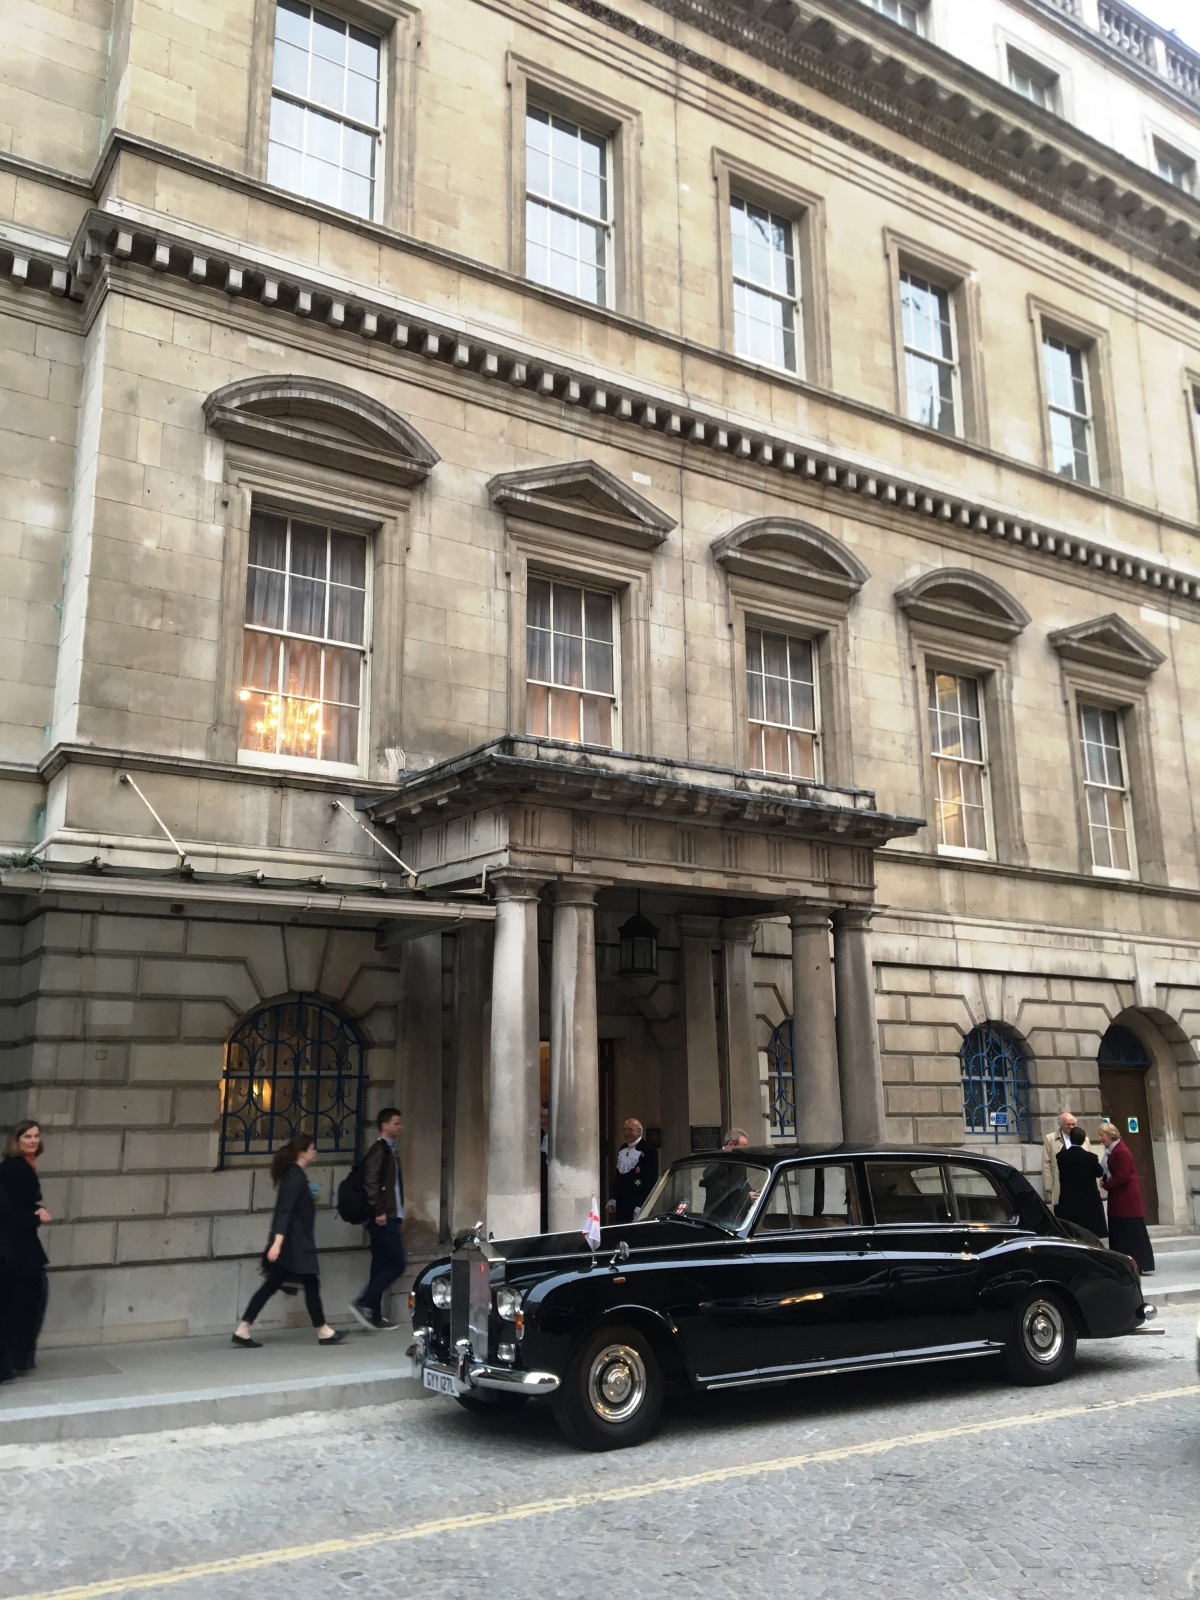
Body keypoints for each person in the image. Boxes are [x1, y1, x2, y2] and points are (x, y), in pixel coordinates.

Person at [233, 1133, 345, 1347]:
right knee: (310, 1283)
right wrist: (277, 1243)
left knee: (271, 1285)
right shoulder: (295, 1177)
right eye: (312, 1148)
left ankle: (243, 1328)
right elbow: (284, 1211)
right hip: (294, 1244)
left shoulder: (296, 1176)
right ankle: (323, 1331)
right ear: (302, 1152)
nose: (315, 1151)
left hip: (293, 1242)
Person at [0, 1120, 52, 1377]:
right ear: (16, 1140)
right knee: (26, 1305)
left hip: (19, 1250)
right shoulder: (14, 1169)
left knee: (23, 1304)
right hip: (18, 1252)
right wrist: (36, 1215)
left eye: (36, 1136)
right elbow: (9, 1213)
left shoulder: (22, 1167)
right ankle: (18, 1359)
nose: (33, 1140)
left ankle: (17, 1358)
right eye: (27, 1136)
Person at [349, 1107, 406, 1331]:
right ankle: (364, 1301)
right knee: (397, 1262)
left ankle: (374, 1313)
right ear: (385, 1125)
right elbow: (371, 1183)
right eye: (396, 1123)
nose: (399, 1127)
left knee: (380, 1263)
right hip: (383, 1217)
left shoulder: (390, 1150)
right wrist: (380, 1210)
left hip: (391, 1214)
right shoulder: (379, 1150)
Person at [1098, 1120, 1155, 1274]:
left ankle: (1138, 1263)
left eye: (1102, 1135)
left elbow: (1123, 1176)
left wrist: (1107, 1185)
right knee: (1121, 1231)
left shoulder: (1122, 1151)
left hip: (1126, 1200)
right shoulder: (1112, 1150)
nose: (1100, 1138)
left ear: (1110, 1135)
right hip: (1119, 1198)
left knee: (1131, 1232)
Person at [1055, 1125, 1107, 1238]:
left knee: (1072, 1233)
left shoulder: (1061, 1156)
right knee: (1091, 1234)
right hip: (1088, 1200)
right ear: (1084, 1140)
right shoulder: (1090, 1157)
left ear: (1070, 1139)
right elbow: (1099, 1172)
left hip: (1069, 1199)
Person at [605, 1118, 659, 1224]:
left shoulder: (649, 1151)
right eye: (624, 1130)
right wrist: (613, 1199)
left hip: (636, 1206)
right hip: (621, 1206)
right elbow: (619, 1177)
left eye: (630, 1130)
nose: (626, 1133)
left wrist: (641, 1206)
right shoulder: (623, 1148)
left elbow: (650, 1181)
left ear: (639, 1131)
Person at [1041, 1110, 1090, 1209]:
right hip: (1061, 1184)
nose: (1071, 1127)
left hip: (1080, 1184)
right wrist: (1049, 1186)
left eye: (1073, 1124)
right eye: (1068, 1124)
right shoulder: (1050, 1139)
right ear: (1061, 1125)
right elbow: (1046, 1162)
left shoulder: (1084, 1139)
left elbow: (1089, 1160)